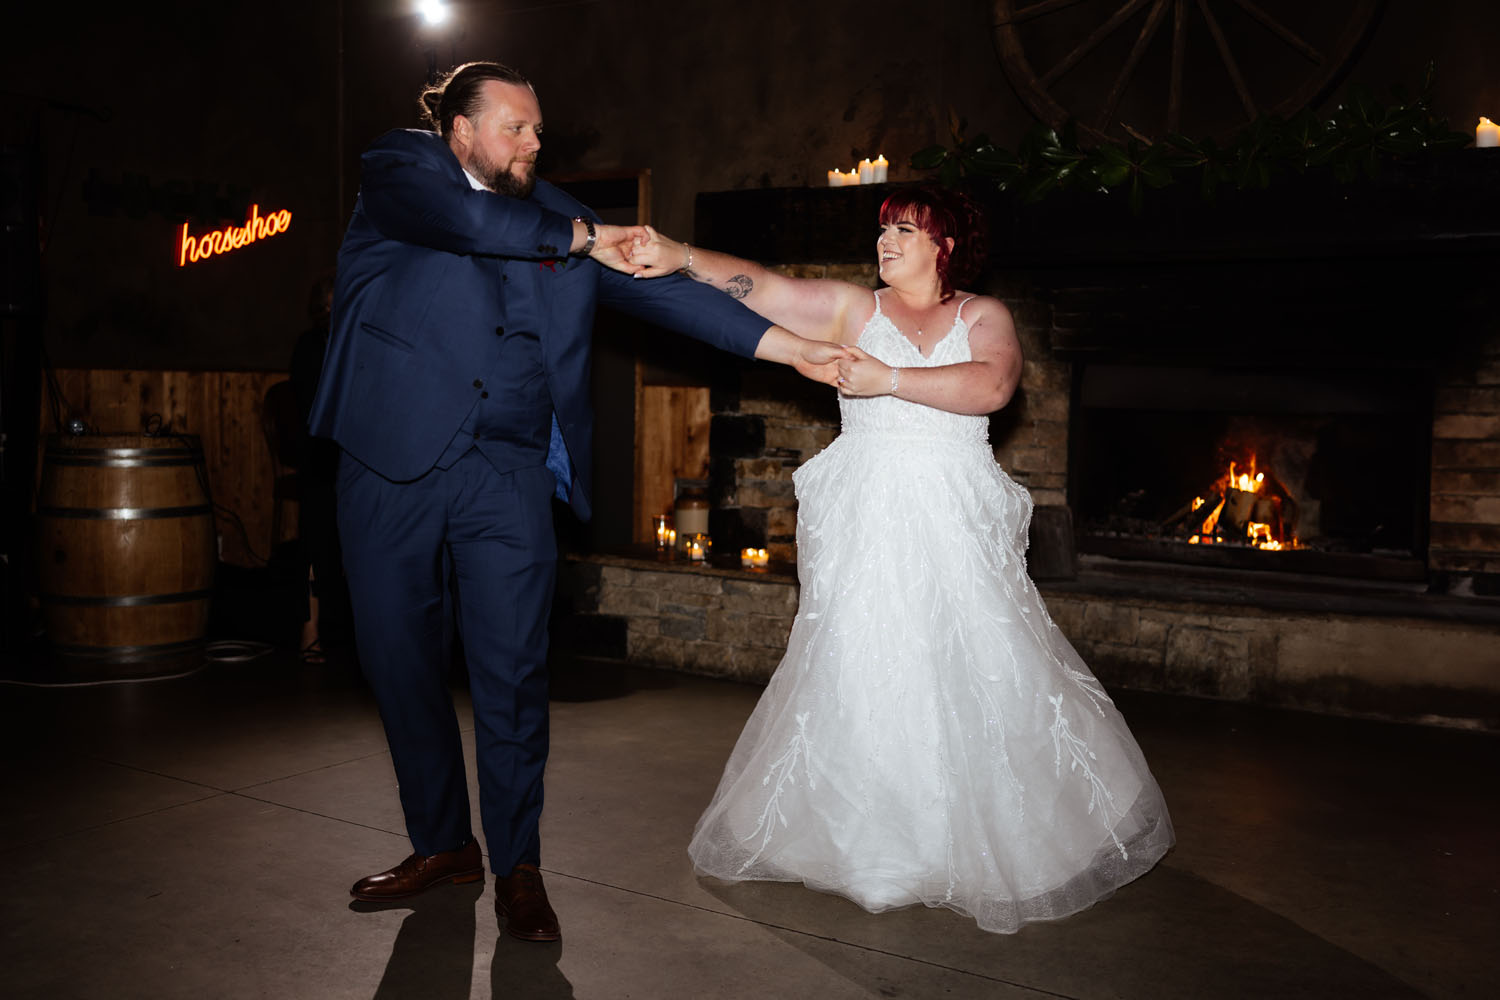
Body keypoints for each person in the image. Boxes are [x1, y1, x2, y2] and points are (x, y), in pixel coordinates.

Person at [306, 61, 846, 943]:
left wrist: (791, 351)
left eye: (537, 129)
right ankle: (442, 844)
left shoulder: (563, 220)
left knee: (513, 675)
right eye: (514, 126)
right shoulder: (403, 173)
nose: (532, 142)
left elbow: (675, 297)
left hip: (510, 472)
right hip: (390, 461)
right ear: (460, 130)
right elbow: (467, 221)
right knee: (398, 662)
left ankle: (519, 866)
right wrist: (590, 236)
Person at [627, 186, 1175, 934]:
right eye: (883, 228)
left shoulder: (983, 315)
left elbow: (993, 384)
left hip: (953, 509)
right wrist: (679, 256)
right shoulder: (856, 310)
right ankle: (876, 851)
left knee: (979, 656)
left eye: (905, 229)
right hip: (868, 512)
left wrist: (888, 381)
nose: (885, 240)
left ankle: (991, 836)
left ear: (944, 245)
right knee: (864, 658)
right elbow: (764, 286)